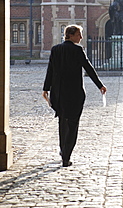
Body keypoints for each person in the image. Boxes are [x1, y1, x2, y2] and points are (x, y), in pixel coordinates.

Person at [42, 24, 107, 167]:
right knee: (72, 124)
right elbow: (88, 67)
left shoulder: (55, 49)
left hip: (58, 93)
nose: (81, 37)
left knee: (62, 123)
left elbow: (50, 70)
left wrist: (46, 88)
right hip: (74, 93)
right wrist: (100, 85)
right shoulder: (77, 50)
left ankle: (63, 150)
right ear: (70, 35)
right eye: (79, 35)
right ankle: (66, 155)